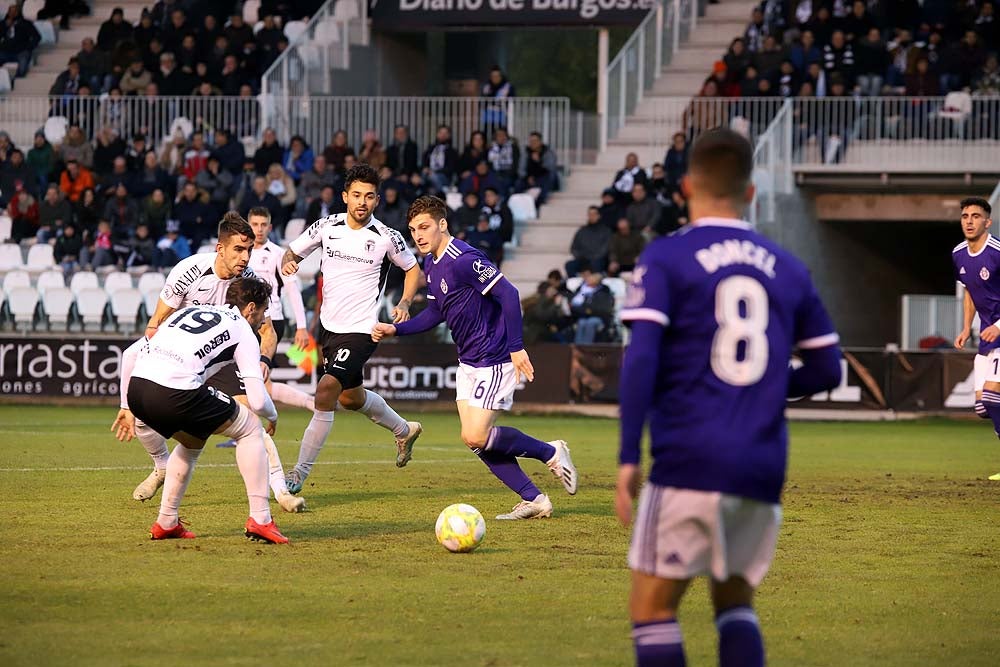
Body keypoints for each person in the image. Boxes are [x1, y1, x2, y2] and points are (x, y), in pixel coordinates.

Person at [615, 128, 842, 667]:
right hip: (761, 466)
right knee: (735, 601)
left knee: (652, 610)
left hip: (689, 459)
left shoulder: (667, 257)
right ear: (751, 193)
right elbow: (829, 367)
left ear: (686, 186)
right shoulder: (787, 265)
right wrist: (763, 389)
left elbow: (641, 359)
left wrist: (628, 457)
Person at [372, 195, 578, 520]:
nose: (418, 235)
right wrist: (398, 331)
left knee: (476, 435)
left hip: (493, 356)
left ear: (442, 224)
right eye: (413, 230)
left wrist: (516, 346)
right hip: (468, 361)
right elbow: (436, 311)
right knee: (475, 441)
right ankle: (534, 498)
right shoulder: (432, 263)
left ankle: (551, 452)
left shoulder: (464, 258)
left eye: (424, 227)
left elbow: (508, 293)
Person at [135, 213, 299, 514]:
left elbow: (268, 330)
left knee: (249, 419)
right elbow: (156, 322)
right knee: (141, 422)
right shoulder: (188, 270)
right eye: (238, 249)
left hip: (221, 361)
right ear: (219, 248)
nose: (245, 257)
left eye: (249, 249)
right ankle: (160, 468)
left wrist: (263, 360)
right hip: (181, 360)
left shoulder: (249, 283)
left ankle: (282, 492)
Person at [112, 278, 290, 544]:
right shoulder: (242, 328)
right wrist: (273, 415)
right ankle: (261, 520)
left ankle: (167, 521)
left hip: (137, 390)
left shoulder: (187, 311)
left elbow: (130, 354)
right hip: (175, 391)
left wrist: (126, 405)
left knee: (193, 440)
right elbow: (257, 397)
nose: (263, 320)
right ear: (251, 308)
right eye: (263, 312)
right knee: (251, 427)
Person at [280, 164, 424, 492]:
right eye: (356, 195)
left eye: (369, 196)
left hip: (363, 329)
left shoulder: (387, 237)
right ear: (345, 196)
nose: (362, 201)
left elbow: (413, 268)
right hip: (328, 327)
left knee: (326, 391)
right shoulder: (326, 226)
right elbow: (292, 251)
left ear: (376, 201)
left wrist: (403, 303)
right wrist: (291, 262)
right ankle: (404, 430)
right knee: (350, 398)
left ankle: (297, 475)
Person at [952, 197, 1000, 480]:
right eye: (965, 216)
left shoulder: (997, 251)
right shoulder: (958, 253)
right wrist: (966, 327)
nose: (969, 221)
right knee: (983, 406)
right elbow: (970, 291)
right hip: (986, 336)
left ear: (987, 222)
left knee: (994, 396)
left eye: (975, 216)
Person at [569, 269, 615, 343]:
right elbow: (575, 304)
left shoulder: (604, 291)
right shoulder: (581, 289)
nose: (588, 279)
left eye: (591, 277)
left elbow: (604, 308)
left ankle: (587, 348)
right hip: (583, 316)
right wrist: (586, 310)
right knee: (582, 322)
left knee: (591, 322)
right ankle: (578, 347)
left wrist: (589, 310)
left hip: (600, 317)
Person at [565, 206, 612, 276]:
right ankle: (577, 285)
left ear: (599, 216)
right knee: (569, 265)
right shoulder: (581, 231)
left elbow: (605, 249)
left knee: (596, 264)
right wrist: (581, 256)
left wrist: (593, 257)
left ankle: (594, 284)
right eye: (590, 214)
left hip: (598, 260)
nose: (591, 216)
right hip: (583, 259)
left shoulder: (606, 231)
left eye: (594, 214)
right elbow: (573, 248)